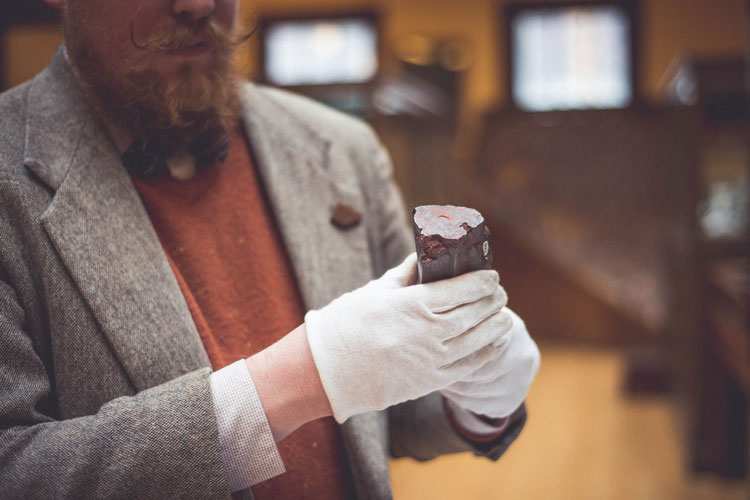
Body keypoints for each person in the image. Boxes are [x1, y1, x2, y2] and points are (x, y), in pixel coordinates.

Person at [0, 0, 540, 498]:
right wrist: (299, 379)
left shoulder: (342, 149)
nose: (199, 3)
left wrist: (476, 400)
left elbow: (387, 416)